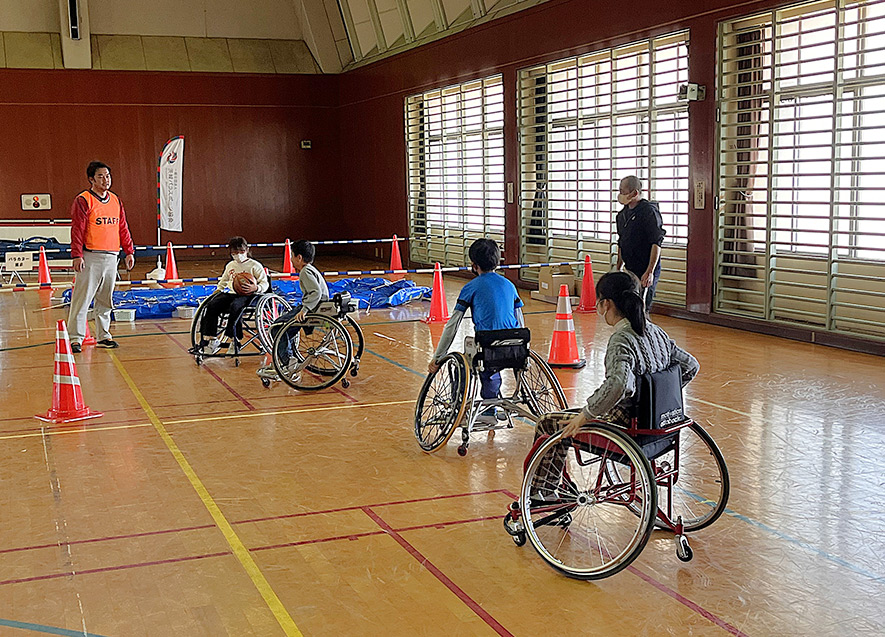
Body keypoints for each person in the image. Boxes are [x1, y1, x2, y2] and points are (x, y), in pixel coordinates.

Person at [530, 271, 699, 498]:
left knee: (549, 423)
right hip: (661, 423)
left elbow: (619, 385)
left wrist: (587, 414)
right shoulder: (657, 332)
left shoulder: (622, 340)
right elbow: (691, 366)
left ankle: (542, 493)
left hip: (627, 426)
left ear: (606, 303)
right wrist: (660, 397)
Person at [427, 238, 525, 424]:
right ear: (498, 261)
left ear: (474, 264)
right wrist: (521, 344)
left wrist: (438, 357)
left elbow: (453, 325)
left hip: (487, 347)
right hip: (514, 346)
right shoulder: (509, 285)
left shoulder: (471, 287)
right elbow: (519, 318)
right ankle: (492, 400)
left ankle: (468, 409)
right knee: (493, 357)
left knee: (459, 364)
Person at [68, 161, 135, 353]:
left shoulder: (115, 201)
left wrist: (129, 251)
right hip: (91, 256)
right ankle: (76, 338)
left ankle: (104, 335)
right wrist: (77, 255)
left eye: (108, 176)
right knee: (82, 298)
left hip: (111, 256)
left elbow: (123, 227)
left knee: (106, 299)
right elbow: (78, 229)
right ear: (91, 179)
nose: (106, 180)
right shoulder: (84, 200)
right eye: (100, 176)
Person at [257, 239, 329, 381]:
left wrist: (305, 310)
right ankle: (287, 358)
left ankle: (286, 362)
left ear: (299, 257)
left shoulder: (305, 272)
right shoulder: (311, 269)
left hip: (313, 308)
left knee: (276, 328)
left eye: (292, 256)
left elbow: (315, 293)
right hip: (318, 306)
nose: (290, 259)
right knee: (285, 327)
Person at [195, 237, 269, 354]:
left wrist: (256, 288)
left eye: (241, 252)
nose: (238, 255)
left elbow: (265, 283)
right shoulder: (230, 265)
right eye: (235, 253)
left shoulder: (255, 265)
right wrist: (218, 290)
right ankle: (212, 338)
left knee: (236, 306)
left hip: (250, 295)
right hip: (232, 293)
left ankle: (235, 339)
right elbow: (224, 280)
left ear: (247, 250)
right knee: (212, 305)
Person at [615, 175, 665, 311]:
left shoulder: (649, 212)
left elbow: (656, 242)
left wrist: (650, 271)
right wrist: (618, 266)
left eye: (623, 192)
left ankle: (644, 330)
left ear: (635, 193)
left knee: (642, 307)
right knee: (629, 305)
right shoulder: (622, 215)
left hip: (645, 266)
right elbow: (621, 242)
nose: (620, 195)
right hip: (630, 266)